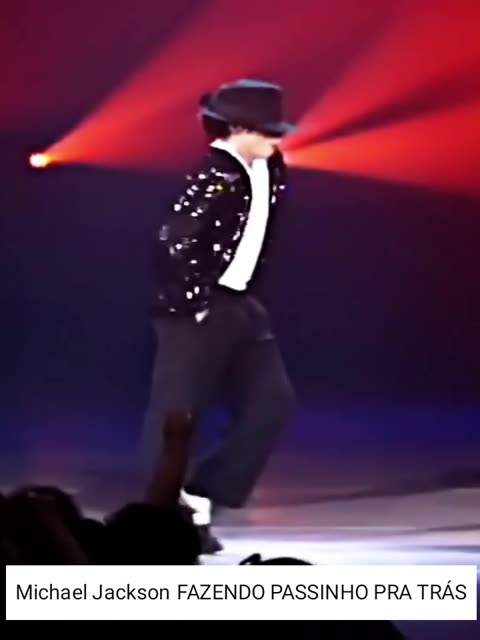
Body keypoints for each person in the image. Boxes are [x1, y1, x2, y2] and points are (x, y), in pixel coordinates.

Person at [143, 79, 296, 553]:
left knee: (273, 402)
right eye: (268, 131)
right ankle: (159, 521)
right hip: (194, 307)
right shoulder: (212, 174)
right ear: (239, 129)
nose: (277, 140)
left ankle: (203, 491)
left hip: (242, 303)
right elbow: (171, 243)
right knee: (176, 415)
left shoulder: (271, 168)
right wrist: (197, 300)